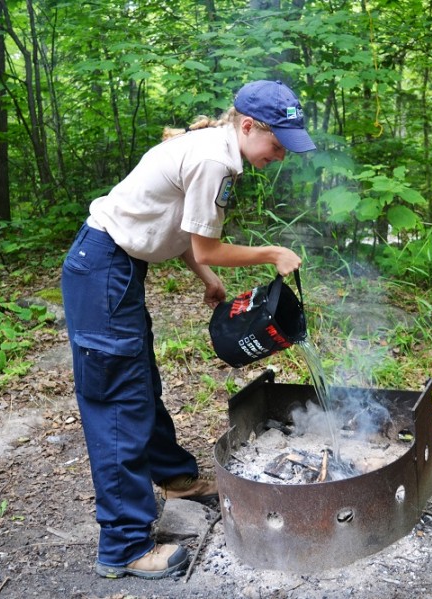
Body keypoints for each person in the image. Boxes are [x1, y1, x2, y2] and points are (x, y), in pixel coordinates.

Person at [60, 80, 316, 579]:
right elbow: (205, 245)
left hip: (115, 269)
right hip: (103, 269)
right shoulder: (213, 161)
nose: (281, 154)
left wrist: (208, 276)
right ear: (248, 126)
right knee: (119, 401)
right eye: (277, 142)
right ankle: (123, 547)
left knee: (140, 383)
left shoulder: (212, 150)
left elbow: (181, 230)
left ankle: (174, 478)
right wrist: (270, 253)